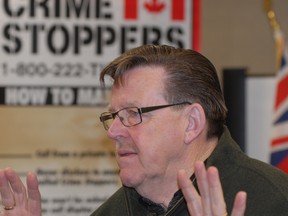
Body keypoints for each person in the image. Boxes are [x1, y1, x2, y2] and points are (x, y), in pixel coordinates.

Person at [0, 44, 288, 216]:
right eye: (113, 115)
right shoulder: (109, 214)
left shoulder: (275, 201)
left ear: (191, 123)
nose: (113, 131)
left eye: (132, 114)